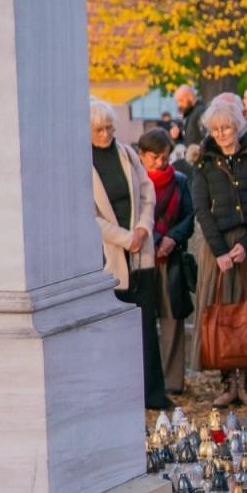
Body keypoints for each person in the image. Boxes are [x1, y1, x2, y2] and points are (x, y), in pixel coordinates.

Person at [188, 96, 247, 406]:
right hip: (217, 246)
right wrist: (220, 251)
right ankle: (227, 383)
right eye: (216, 129)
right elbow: (201, 209)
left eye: (227, 127)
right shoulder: (203, 161)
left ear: (238, 126)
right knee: (221, 310)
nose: (222, 134)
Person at [91, 99, 168, 410]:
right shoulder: (83, 162)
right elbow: (89, 215)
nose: (106, 135)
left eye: (110, 128)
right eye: (99, 130)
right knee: (114, 332)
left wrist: (142, 229)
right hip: (112, 255)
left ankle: (153, 392)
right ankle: (120, 395)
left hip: (140, 250)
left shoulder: (125, 153)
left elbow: (147, 191)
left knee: (147, 327)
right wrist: (125, 238)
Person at [138, 128, 196, 396]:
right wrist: (157, 237)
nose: (161, 162)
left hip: (172, 259)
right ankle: (148, 378)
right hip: (143, 258)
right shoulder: (137, 182)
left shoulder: (180, 181)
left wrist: (172, 238)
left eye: (165, 156)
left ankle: (173, 380)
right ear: (142, 155)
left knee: (173, 318)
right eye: (155, 157)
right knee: (145, 319)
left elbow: (189, 215)